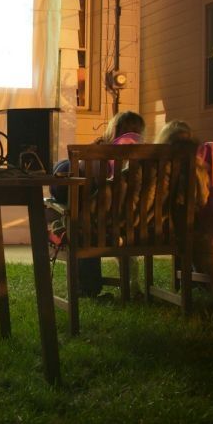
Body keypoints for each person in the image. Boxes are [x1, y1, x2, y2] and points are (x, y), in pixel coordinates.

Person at [47, 111, 146, 297]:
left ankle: (88, 288)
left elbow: (87, 190)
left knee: (81, 222)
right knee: (65, 172)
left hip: (103, 224)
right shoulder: (150, 163)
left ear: (113, 130)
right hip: (138, 223)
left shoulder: (102, 155)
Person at [155, 121, 213, 293]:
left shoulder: (158, 164)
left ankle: (201, 280)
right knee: (203, 229)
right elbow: (202, 198)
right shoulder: (198, 164)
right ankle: (211, 281)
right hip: (186, 228)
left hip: (162, 226)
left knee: (197, 228)